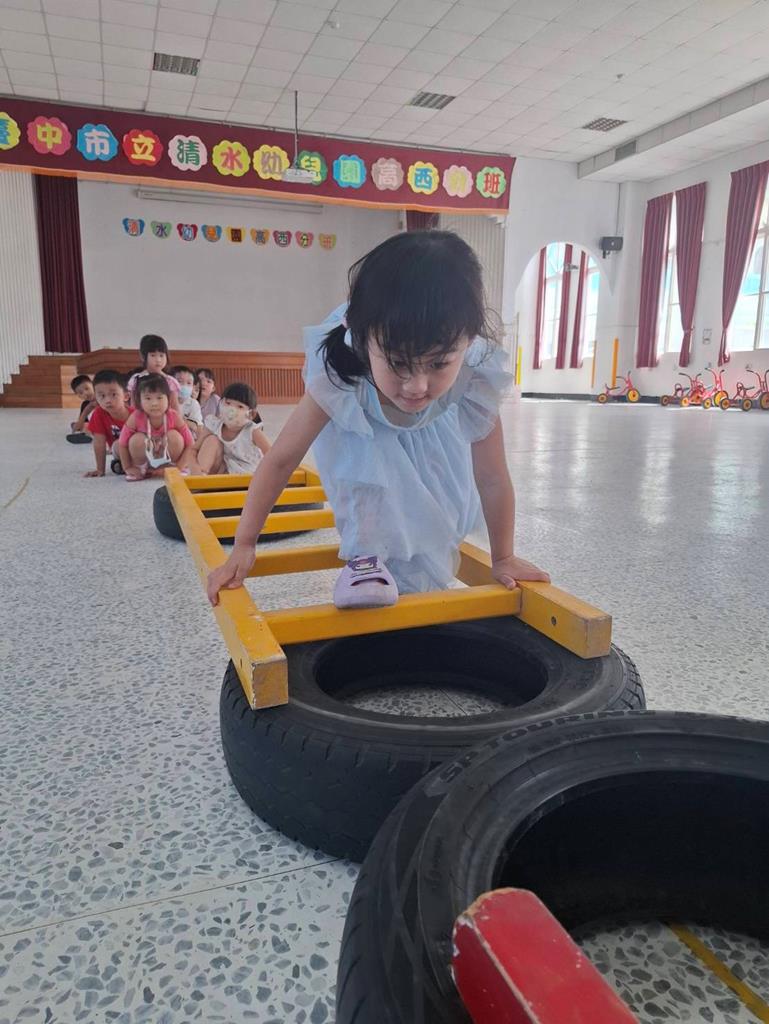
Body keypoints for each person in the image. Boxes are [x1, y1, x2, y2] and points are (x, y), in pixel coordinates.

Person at [206, 231, 549, 610]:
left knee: (436, 500)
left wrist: (503, 556)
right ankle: (365, 559)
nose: (417, 386)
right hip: (360, 430)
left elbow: (492, 475)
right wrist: (244, 544)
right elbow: (281, 459)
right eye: (398, 363)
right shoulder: (340, 373)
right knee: (370, 474)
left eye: (439, 363)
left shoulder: (475, 373)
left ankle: (417, 561)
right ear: (362, 339)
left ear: (467, 342)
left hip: (433, 434)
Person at [118, 373, 194, 481]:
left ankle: (170, 466)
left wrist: (179, 466)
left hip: (169, 459)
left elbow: (190, 444)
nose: (154, 403)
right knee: (136, 439)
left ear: (168, 399)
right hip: (144, 459)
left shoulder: (174, 416)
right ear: (139, 400)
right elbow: (122, 443)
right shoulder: (135, 417)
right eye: (148, 398)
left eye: (159, 398)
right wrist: (127, 467)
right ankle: (141, 468)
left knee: (175, 436)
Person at [190, 382, 271, 475]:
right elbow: (193, 450)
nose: (231, 410)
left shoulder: (252, 431)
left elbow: (273, 456)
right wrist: (194, 467)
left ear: (251, 414)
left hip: (248, 477)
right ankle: (201, 478)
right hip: (222, 473)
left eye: (240, 406)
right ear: (221, 403)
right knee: (212, 440)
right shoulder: (214, 425)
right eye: (228, 403)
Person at [84, 369, 132, 477]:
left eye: (113, 394)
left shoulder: (135, 415)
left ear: (126, 396)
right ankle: (126, 465)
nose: (108, 400)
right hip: (120, 451)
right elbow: (99, 442)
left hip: (140, 451)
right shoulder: (98, 414)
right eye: (102, 396)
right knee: (118, 445)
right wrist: (100, 470)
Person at [126, 335, 181, 413]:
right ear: (142, 357)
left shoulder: (170, 381)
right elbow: (133, 406)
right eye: (153, 355)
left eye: (161, 355)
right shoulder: (136, 379)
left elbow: (175, 407)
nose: (158, 360)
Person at [172, 365, 203, 436]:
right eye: (180, 381)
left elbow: (198, 427)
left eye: (189, 383)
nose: (184, 386)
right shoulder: (165, 402)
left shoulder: (193, 403)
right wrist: (189, 423)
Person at [67, 374, 96, 440]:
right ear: (79, 396)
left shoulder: (102, 398)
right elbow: (83, 420)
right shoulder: (85, 404)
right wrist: (78, 425)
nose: (85, 393)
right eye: (81, 393)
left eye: (87, 388)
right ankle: (85, 435)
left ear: (93, 385)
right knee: (85, 425)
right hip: (94, 426)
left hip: (107, 424)